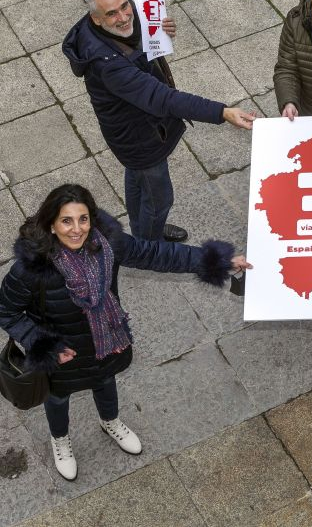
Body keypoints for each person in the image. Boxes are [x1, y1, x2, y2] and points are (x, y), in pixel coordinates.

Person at [0, 184, 251, 481]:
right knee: (57, 398)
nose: (76, 229)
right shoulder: (29, 270)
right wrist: (43, 344)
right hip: (62, 353)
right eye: (66, 221)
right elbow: (7, 311)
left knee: (106, 381)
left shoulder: (108, 244)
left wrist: (218, 261)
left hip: (107, 339)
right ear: (51, 225)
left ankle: (110, 422)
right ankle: (61, 441)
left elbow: (159, 254)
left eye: (83, 219)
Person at [63, 0, 256, 242]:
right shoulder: (108, 66)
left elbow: (135, 42)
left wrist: (158, 32)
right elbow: (162, 98)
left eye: (124, 5)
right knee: (159, 199)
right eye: (112, 13)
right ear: (96, 19)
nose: (123, 16)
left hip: (136, 130)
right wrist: (222, 112)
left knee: (137, 180)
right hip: (139, 138)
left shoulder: (113, 26)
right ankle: (150, 245)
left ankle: (141, 230)